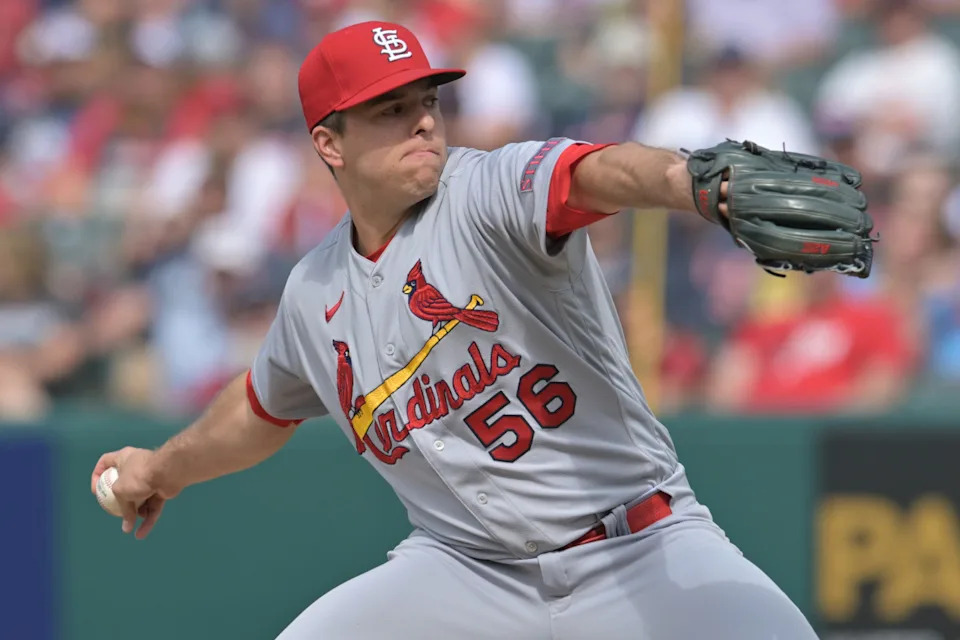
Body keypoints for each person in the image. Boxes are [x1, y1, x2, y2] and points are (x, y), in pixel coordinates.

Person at [91, 21, 819, 639]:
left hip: (639, 542)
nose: (423, 120)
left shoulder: (484, 190)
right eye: (389, 108)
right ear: (330, 143)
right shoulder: (313, 292)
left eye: (428, 99)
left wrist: (690, 182)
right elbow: (258, 409)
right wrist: (160, 470)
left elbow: (593, 174)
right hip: (466, 573)